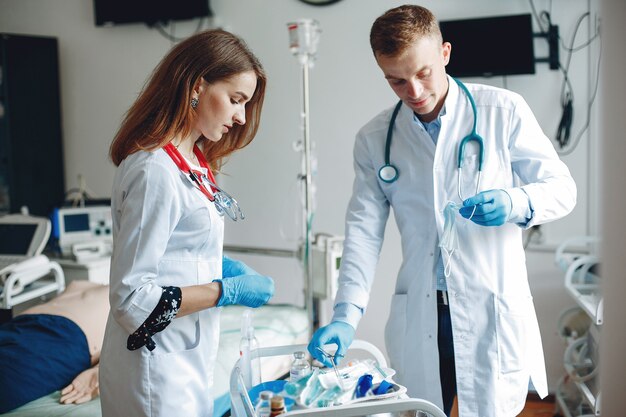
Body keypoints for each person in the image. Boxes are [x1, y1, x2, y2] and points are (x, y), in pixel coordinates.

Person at [308, 5, 576, 417]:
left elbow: (563, 189)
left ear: (445, 53)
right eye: (396, 80)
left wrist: (514, 202)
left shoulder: (502, 111)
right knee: (422, 408)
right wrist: (345, 316)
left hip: (489, 308)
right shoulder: (375, 139)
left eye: (423, 73)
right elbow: (363, 234)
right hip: (422, 311)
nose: (413, 90)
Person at [100, 29, 274, 417]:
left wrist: (218, 266)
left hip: (184, 359)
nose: (240, 116)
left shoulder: (193, 163)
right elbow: (131, 300)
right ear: (196, 86)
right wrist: (224, 290)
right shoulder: (154, 170)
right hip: (153, 371)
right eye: (235, 99)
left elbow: (177, 251)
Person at [0, 280, 108, 413]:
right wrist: (100, 370)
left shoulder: (81, 284)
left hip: (25, 321)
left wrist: (99, 371)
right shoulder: (130, 295)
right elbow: (131, 350)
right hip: (62, 334)